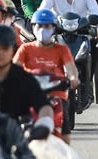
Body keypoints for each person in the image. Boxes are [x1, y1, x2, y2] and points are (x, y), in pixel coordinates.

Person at [14, 9, 80, 143]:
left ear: (54, 28)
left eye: (47, 26)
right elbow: (15, 69)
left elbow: (71, 69)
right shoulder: (25, 49)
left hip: (56, 94)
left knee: (65, 127)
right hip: (30, 94)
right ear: (33, 27)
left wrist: (73, 78)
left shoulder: (62, 49)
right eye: (39, 25)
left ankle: (65, 156)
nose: (43, 29)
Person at [0, 24, 54, 128]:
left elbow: (44, 106)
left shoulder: (25, 79)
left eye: (5, 48)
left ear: (13, 50)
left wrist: (45, 124)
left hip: (16, 138)